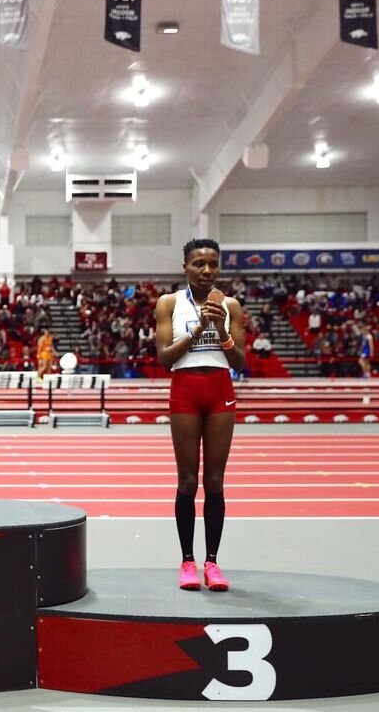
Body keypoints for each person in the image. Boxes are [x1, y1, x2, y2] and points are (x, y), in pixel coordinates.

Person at [154, 238, 245, 591]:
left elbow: (239, 362)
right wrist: (198, 328)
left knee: (215, 482)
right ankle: (187, 561)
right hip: (185, 391)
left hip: (220, 390)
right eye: (198, 264)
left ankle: (213, 563)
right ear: (185, 267)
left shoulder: (231, 305)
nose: (206, 270)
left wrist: (220, 329)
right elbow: (165, 359)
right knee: (188, 482)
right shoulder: (169, 303)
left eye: (212, 264)